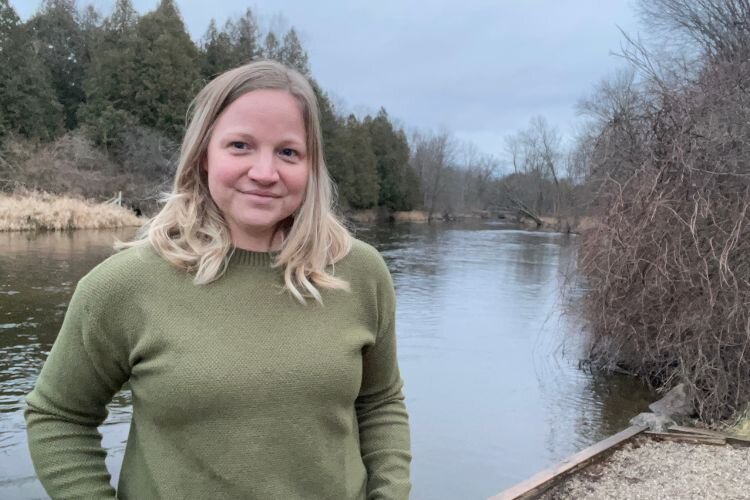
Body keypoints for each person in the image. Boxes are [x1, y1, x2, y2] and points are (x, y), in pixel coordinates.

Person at [25, 60, 411, 499]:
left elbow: (381, 403)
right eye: (240, 145)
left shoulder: (361, 273)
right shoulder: (121, 286)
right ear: (203, 155)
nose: (265, 173)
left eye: (288, 152)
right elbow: (57, 416)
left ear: (311, 166)